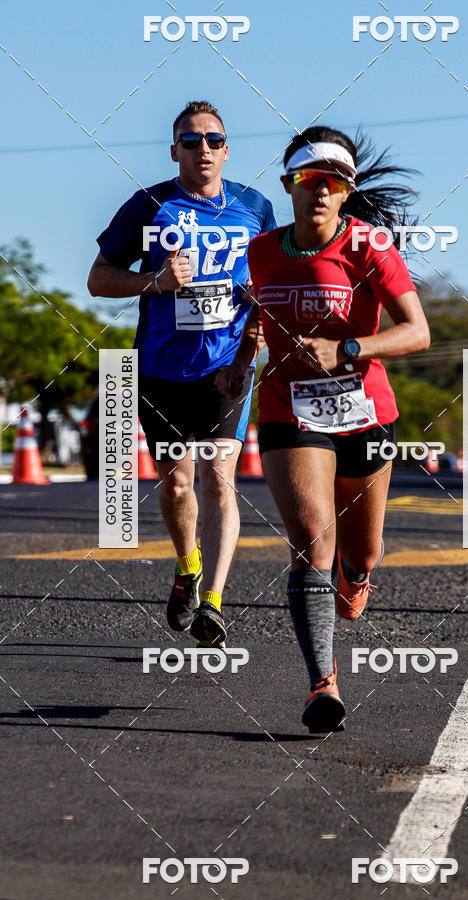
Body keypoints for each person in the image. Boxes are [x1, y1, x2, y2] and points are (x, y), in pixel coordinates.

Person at [218, 126, 429, 732]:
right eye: (307, 180)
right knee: (313, 541)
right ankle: (322, 686)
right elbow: (257, 316)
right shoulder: (260, 252)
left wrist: (350, 348)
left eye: (331, 182)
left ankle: (356, 579)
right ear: (289, 185)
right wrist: (239, 364)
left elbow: (418, 332)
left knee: (360, 553)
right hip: (290, 410)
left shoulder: (369, 247)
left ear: (346, 191)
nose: (319, 190)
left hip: (365, 412)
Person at [88, 100, 276, 645]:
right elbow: (99, 280)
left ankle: (214, 601)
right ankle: (187, 566)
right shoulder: (149, 206)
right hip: (161, 370)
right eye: (191, 141)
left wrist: (253, 338)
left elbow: (269, 284)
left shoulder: (254, 206)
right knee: (176, 485)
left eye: (213, 140)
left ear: (226, 147)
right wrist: (155, 283)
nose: (203, 149)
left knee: (220, 476)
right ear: (174, 151)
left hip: (227, 367)